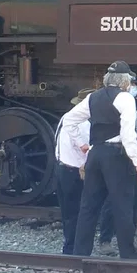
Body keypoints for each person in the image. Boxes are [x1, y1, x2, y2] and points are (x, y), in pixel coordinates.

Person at [71, 65, 137, 259]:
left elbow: (70, 120)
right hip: (116, 156)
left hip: (95, 154)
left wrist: (82, 144)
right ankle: (128, 257)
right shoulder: (125, 98)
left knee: (88, 206)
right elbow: (128, 133)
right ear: (125, 80)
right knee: (122, 206)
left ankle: (80, 254)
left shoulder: (92, 97)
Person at [95, 61, 137, 252]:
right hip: (119, 156)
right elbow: (127, 134)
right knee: (112, 199)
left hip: (130, 157)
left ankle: (128, 239)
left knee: (134, 200)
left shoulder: (131, 106)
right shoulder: (115, 104)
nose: (134, 87)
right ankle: (105, 240)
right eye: (132, 83)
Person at [53, 89, 93, 254]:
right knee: (78, 212)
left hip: (62, 167)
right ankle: (74, 249)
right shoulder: (85, 125)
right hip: (77, 172)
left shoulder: (65, 118)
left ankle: (69, 247)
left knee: (68, 213)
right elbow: (87, 149)